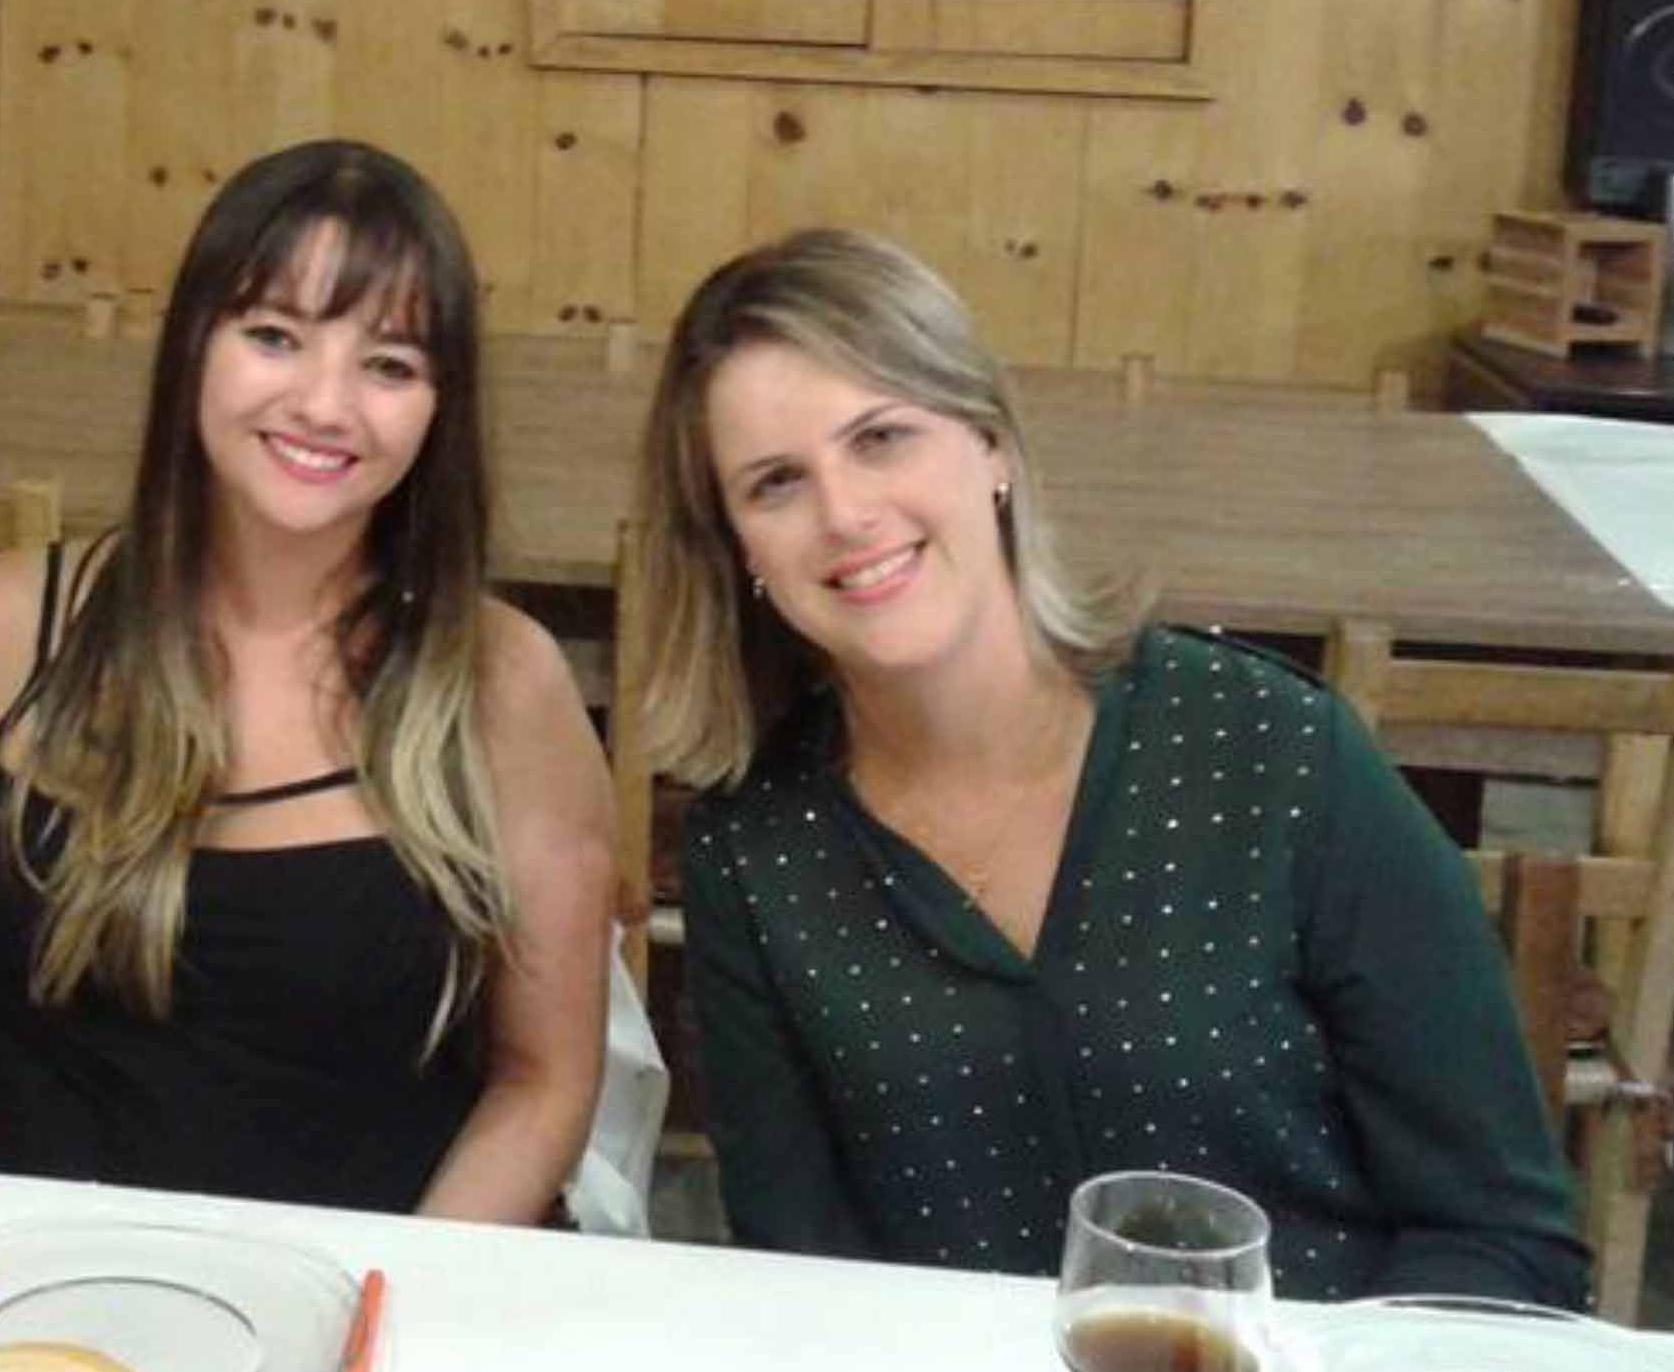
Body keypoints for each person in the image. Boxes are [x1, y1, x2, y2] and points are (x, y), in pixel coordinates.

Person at [633, 227, 1587, 1306]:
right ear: (738, 549)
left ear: (991, 444)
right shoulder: (752, 851)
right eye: (775, 483)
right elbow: (803, 1274)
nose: (846, 513)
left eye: (883, 437)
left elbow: (1502, 1234)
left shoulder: (1272, 749)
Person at [0, 140, 612, 1220]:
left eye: (390, 364)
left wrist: (389, 1294)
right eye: (274, 336)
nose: (326, 404)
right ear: (193, 344)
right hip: (25, 1281)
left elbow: (542, 1084)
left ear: (442, 407)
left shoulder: (503, 680)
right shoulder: (4, 628)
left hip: (377, 1292)